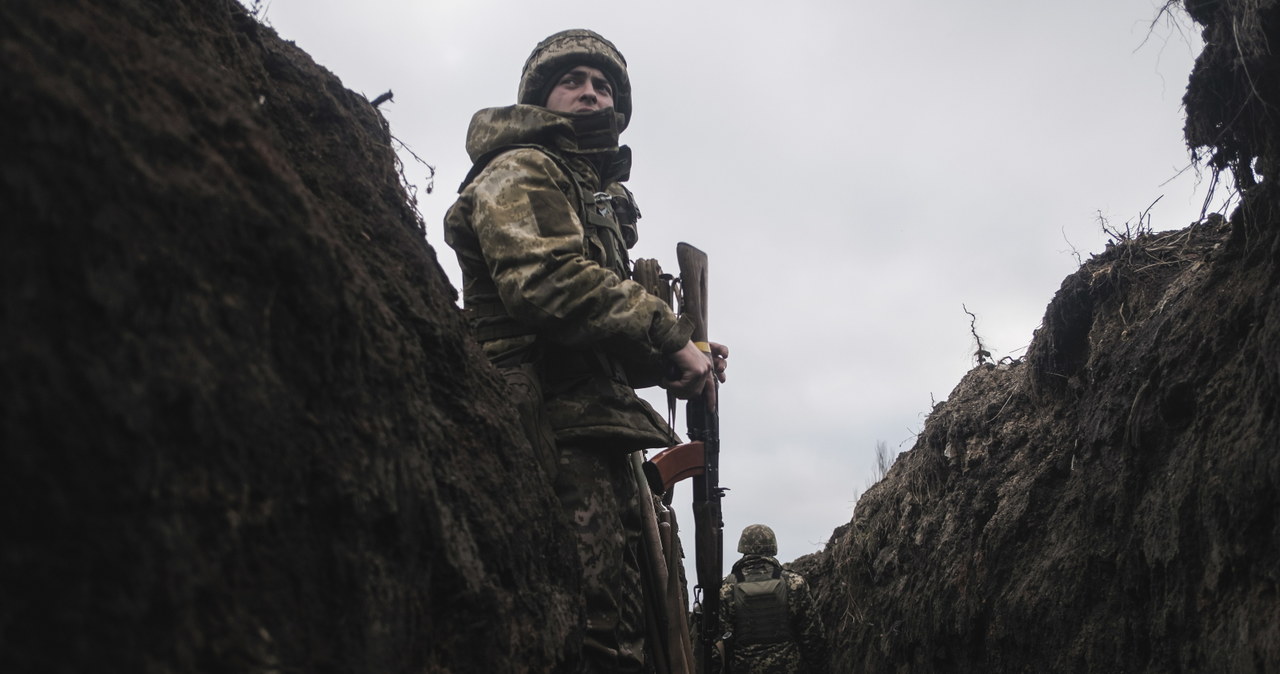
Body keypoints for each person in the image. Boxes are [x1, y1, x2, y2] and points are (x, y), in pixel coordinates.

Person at [443, 29, 728, 673]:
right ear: (543, 99)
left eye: (603, 86)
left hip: (591, 430)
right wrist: (668, 334)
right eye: (573, 81)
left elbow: (593, 341)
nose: (591, 93)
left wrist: (672, 360)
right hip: (543, 430)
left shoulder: (586, 191)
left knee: (617, 634)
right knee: (584, 633)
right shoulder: (522, 166)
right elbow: (544, 282)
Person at [718, 524, 829, 674]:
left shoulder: (726, 589)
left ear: (742, 548)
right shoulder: (794, 583)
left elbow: (718, 645)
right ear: (773, 547)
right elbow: (813, 637)